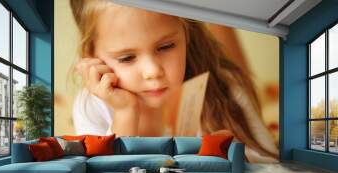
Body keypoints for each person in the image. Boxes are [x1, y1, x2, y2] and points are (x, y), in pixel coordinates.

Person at [69, 0, 278, 163]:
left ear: (186, 33)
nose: (153, 72)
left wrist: (224, 156)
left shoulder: (224, 86)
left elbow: (268, 163)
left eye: (166, 46)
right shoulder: (91, 106)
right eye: (127, 58)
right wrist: (125, 113)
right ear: (92, 57)